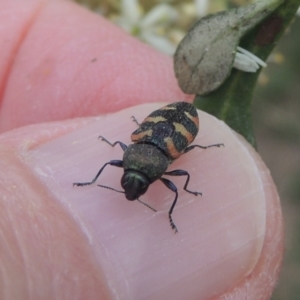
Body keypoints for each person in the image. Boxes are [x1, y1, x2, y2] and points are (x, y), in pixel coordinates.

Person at [0, 0, 283, 299]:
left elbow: (156, 168)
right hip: (171, 126)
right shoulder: (142, 156)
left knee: (177, 186)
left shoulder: (146, 156)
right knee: (175, 185)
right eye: (136, 184)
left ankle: (169, 198)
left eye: (130, 183)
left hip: (174, 123)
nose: (131, 190)